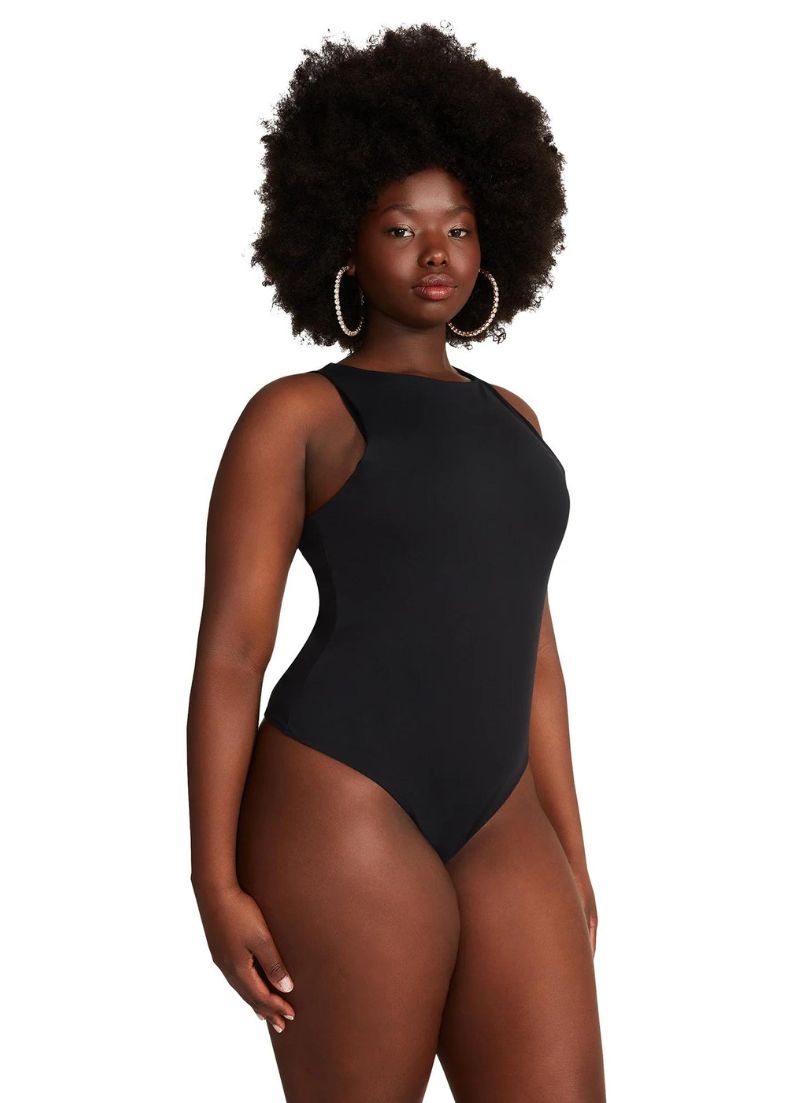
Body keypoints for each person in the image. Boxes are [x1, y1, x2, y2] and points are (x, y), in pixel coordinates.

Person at [187, 21, 606, 1102]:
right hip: (341, 796)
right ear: (343, 239)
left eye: (458, 227)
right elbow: (232, 652)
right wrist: (213, 879)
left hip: (505, 813)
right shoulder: (295, 415)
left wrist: (571, 851)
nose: (435, 254)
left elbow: (535, 658)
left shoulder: (515, 419)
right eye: (400, 227)